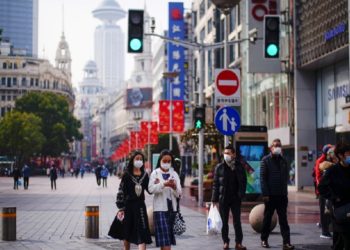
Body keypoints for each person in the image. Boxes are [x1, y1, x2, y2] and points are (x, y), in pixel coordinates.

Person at [260, 139, 294, 250]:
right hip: (270, 196)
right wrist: (265, 194)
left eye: (279, 145)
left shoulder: (284, 160)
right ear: (271, 148)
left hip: (282, 195)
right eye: (275, 145)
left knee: (283, 220)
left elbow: (285, 178)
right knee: (267, 219)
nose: (277, 147)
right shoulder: (265, 160)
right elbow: (262, 178)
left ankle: (286, 243)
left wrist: (285, 193)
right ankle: (264, 240)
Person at [211, 144, 247, 250]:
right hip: (224, 198)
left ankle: (238, 243)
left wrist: (241, 194)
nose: (226, 155)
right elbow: (215, 184)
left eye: (228, 153)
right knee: (224, 222)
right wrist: (214, 199)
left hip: (236, 198)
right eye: (225, 153)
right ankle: (225, 242)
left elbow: (244, 181)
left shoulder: (239, 166)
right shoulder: (219, 167)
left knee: (237, 222)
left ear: (234, 154)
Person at [115, 151, 152, 250]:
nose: (139, 161)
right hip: (128, 207)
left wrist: (156, 183)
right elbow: (121, 191)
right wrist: (121, 207)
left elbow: (150, 190)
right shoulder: (127, 175)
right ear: (132, 160)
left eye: (141, 159)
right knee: (127, 232)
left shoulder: (145, 175)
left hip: (140, 207)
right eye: (137, 159)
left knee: (142, 231)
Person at [319, 142, 350, 250]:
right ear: (340, 155)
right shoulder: (333, 170)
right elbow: (321, 187)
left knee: (341, 240)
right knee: (344, 238)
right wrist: (334, 197)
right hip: (340, 210)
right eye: (348, 153)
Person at [148, 150, 182, 250]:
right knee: (165, 241)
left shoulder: (174, 174)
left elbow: (179, 193)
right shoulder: (155, 173)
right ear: (160, 161)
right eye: (164, 161)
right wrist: (163, 184)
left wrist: (174, 187)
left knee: (166, 241)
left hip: (172, 209)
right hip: (159, 210)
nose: (166, 163)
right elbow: (151, 189)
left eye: (169, 161)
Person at [318, 146, 337, 239]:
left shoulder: (330, 165)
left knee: (330, 214)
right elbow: (321, 183)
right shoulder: (327, 166)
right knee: (326, 213)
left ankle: (328, 231)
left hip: (330, 195)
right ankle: (325, 232)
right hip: (327, 195)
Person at [314, 144, 333, 228]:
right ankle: (324, 226)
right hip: (323, 189)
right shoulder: (320, 160)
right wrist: (320, 189)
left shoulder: (330, 159)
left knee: (328, 208)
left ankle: (324, 223)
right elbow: (318, 177)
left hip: (329, 188)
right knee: (323, 208)